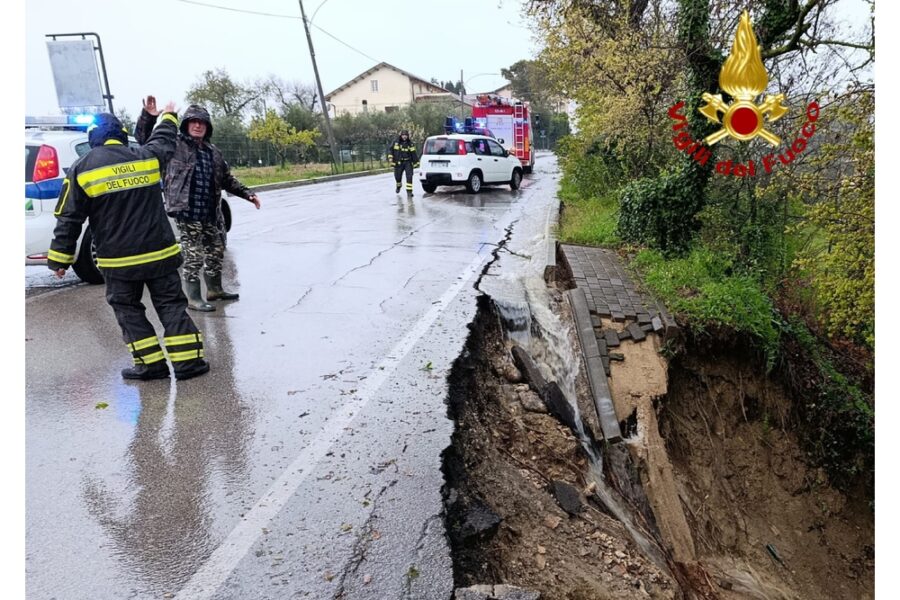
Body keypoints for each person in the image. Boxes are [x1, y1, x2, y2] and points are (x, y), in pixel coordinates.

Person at [47, 108, 210, 381]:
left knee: (129, 310)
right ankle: (188, 364)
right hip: (161, 254)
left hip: (118, 262)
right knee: (171, 305)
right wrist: (168, 115)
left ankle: (151, 366)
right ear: (122, 135)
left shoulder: (82, 168)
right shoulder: (145, 156)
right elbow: (164, 140)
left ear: (93, 139)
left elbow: (69, 217)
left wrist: (59, 259)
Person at [135, 96, 261, 312]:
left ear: (207, 126)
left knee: (216, 250)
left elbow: (227, 180)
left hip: (211, 213)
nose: (197, 125)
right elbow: (144, 139)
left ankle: (214, 290)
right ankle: (193, 298)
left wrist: (248, 194)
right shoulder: (174, 145)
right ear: (185, 124)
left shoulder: (214, 153)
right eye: (193, 121)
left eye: (201, 122)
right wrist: (149, 117)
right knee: (194, 255)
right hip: (187, 212)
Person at [388, 129, 419, 196]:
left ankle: (409, 192)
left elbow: (414, 153)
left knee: (409, 176)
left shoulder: (410, 144)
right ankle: (398, 186)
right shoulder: (396, 142)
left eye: (406, 135)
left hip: (408, 162)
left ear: (408, 136)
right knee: (397, 177)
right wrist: (390, 158)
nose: (404, 137)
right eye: (403, 135)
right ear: (401, 136)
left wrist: (416, 162)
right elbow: (391, 150)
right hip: (398, 162)